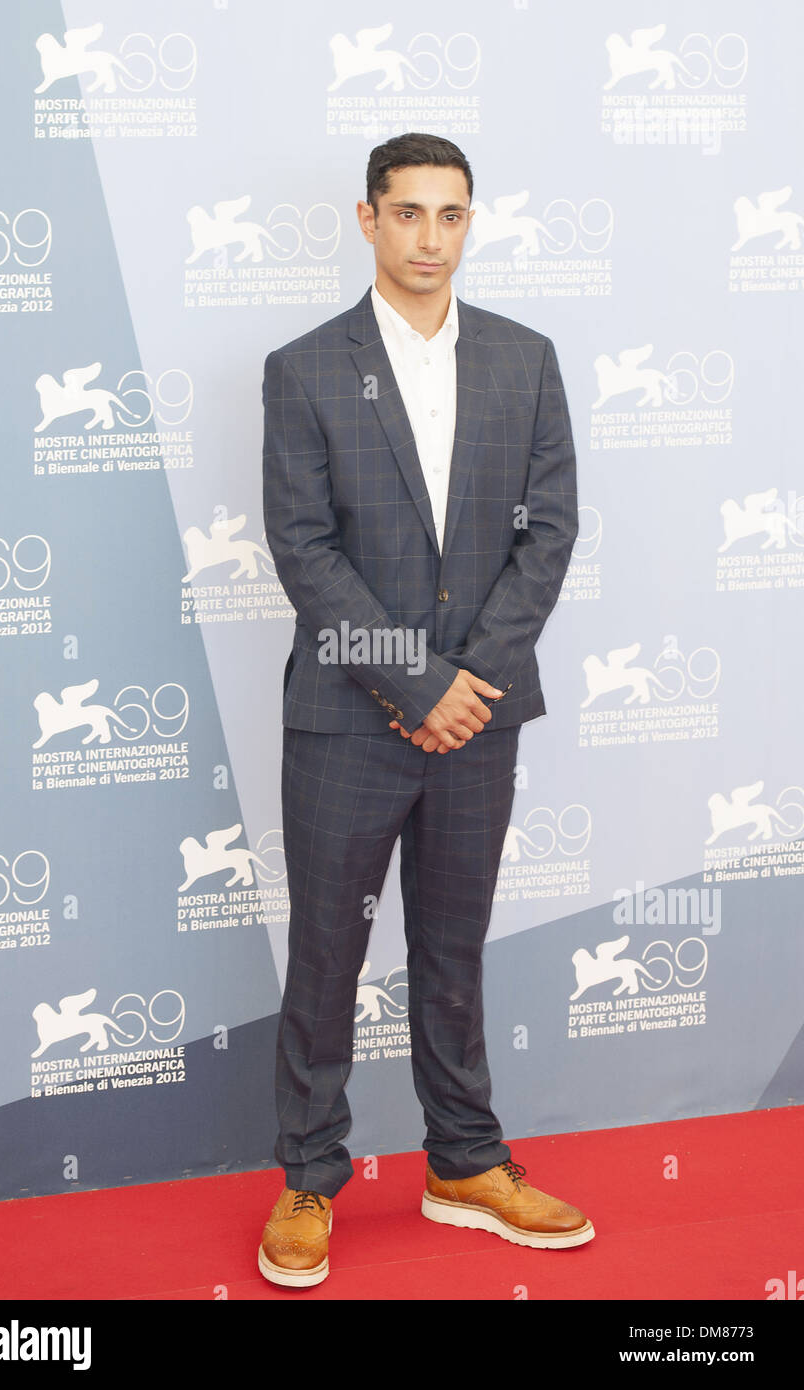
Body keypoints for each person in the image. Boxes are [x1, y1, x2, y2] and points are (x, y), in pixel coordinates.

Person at [258, 132, 593, 1288]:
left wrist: (469, 685)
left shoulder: (525, 359)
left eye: (451, 215)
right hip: (348, 721)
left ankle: (464, 1164)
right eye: (407, 214)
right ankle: (308, 1175)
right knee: (327, 956)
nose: (429, 238)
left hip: (478, 723)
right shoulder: (304, 368)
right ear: (367, 220)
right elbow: (305, 553)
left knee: (451, 955)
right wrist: (415, 684)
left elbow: (549, 535)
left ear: (470, 223)